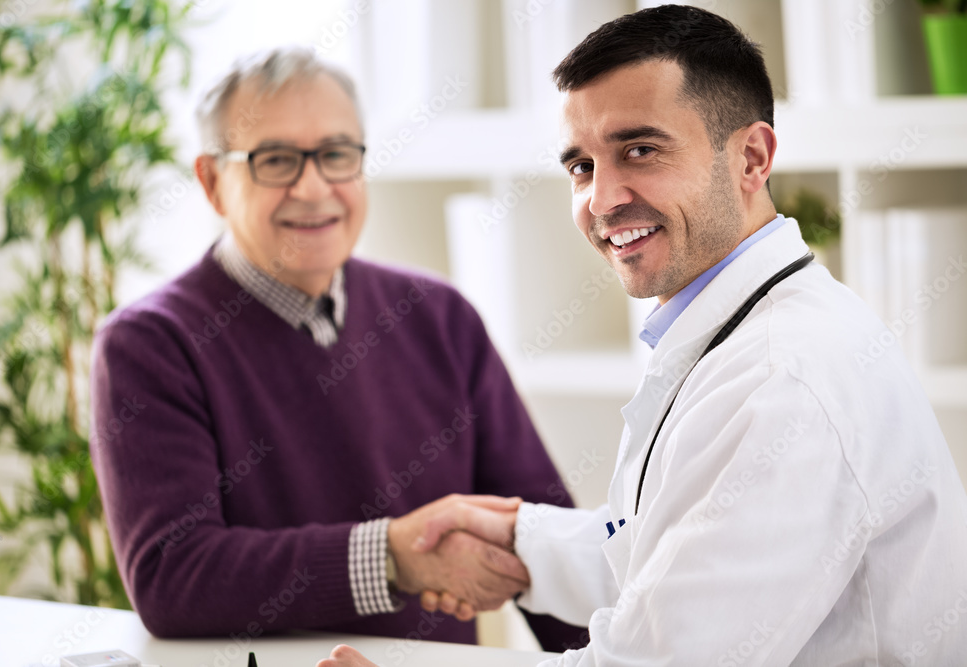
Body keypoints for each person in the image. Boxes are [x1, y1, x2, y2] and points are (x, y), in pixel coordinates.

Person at [316, 6, 967, 666]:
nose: (601, 201)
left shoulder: (781, 378)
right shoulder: (744, 329)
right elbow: (676, 565)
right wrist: (519, 542)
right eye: (581, 166)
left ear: (751, 157)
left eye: (640, 151)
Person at [89, 49, 587, 649]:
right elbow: (173, 575)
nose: (312, 187)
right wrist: (393, 557)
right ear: (213, 182)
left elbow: (544, 537)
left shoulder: (441, 316)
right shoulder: (149, 344)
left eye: (336, 154)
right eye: (276, 160)